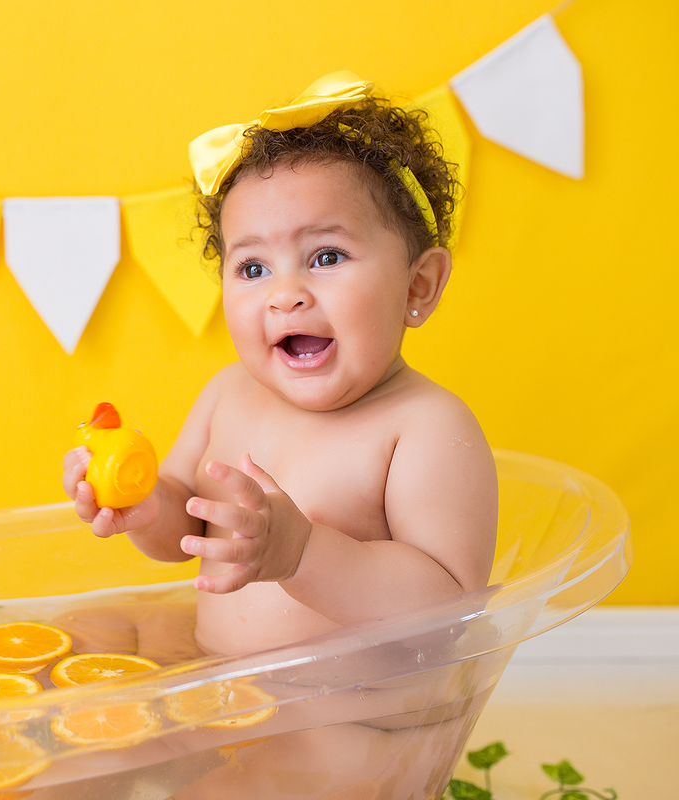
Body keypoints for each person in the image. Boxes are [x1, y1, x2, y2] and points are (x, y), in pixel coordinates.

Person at [60, 73, 499, 798]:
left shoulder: (425, 428)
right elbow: (186, 529)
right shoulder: (228, 394)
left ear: (418, 286)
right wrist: (145, 506)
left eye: (326, 256)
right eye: (253, 267)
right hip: (218, 684)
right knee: (77, 711)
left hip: (349, 720)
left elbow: (445, 615)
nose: (285, 294)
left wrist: (301, 553)